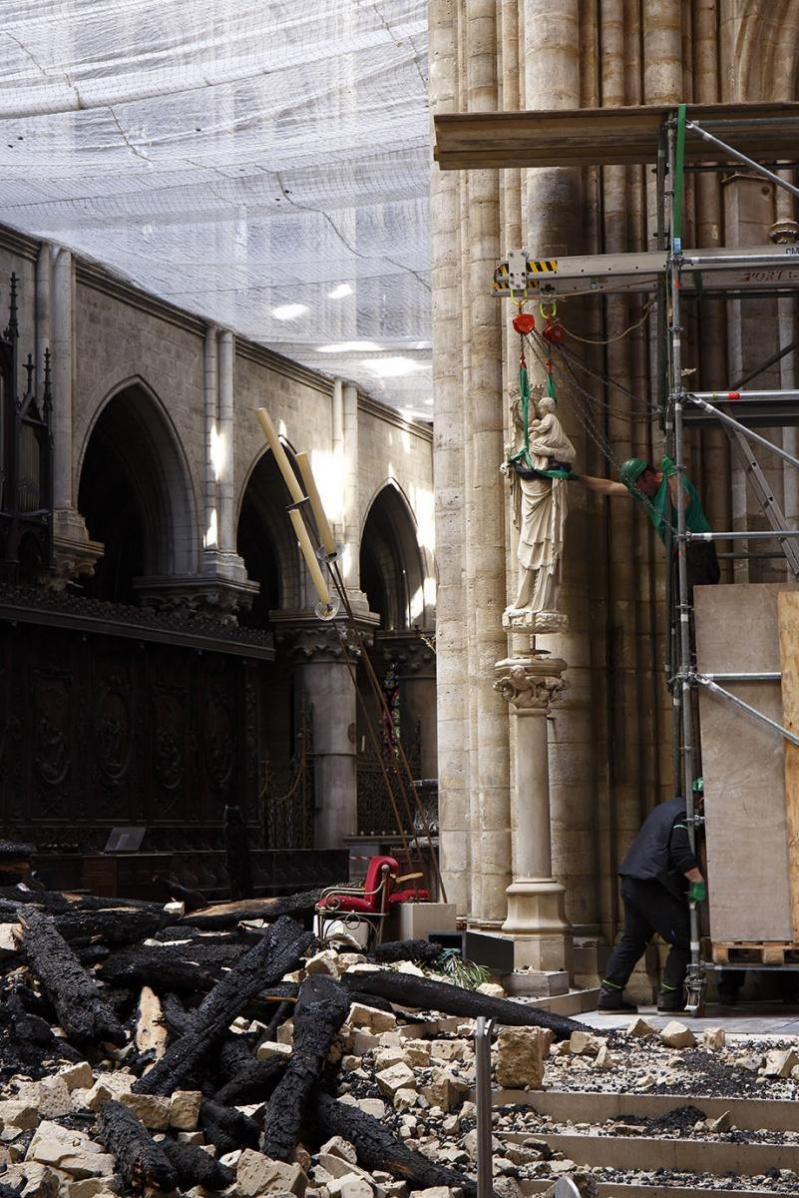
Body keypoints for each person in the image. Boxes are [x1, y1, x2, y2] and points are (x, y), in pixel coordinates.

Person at [598, 796, 707, 1014]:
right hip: (652, 886)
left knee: (634, 940)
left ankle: (609, 997)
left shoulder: (666, 808)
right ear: (702, 799)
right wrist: (698, 881)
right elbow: (680, 852)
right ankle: (669, 997)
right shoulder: (683, 814)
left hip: (633, 882)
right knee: (685, 940)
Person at [581, 457, 720, 589]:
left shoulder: (674, 481)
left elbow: (682, 504)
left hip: (697, 548)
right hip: (678, 550)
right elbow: (609, 486)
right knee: (679, 600)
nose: (637, 491)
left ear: (648, 476)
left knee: (694, 599)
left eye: (637, 486)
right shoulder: (646, 492)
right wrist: (577, 478)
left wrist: (672, 473)